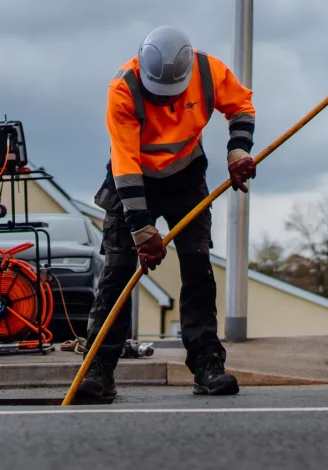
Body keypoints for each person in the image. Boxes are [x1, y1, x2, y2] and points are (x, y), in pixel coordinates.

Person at [81, 25, 257, 398]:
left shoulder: (209, 72)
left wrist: (238, 150)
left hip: (186, 179)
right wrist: (143, 232)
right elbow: (125, 166)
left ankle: (207, 365)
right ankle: (98, 368)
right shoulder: (123, 90)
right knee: (117, 272)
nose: (163, 103)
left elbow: (240, 105)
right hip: (132, 182)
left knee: (198, 267)